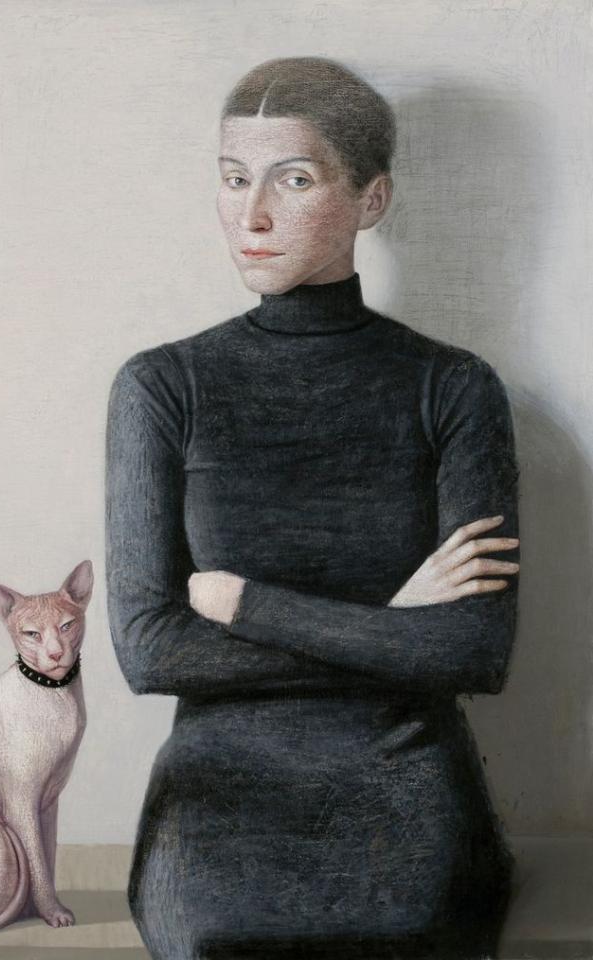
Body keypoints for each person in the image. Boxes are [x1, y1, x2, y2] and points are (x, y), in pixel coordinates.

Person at [105, 56, 521, 960]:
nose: (251, 215)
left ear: (370, 200)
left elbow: (474, 652)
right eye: (233, 179)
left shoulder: (453, 388)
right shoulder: (162, 386)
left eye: (292, 180)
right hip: (218, 810)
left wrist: (247, 604)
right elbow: (148, 650)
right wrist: (392, 623)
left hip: (408, 798)